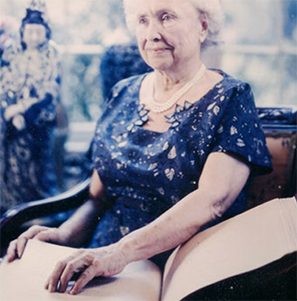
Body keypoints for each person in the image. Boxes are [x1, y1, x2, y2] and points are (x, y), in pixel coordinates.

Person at [6, 0, 272, 295]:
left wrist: (119, 253)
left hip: (178, 269)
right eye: (143, 21)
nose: (152, 33)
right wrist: (63, 235)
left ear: (203, 25)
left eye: (166, 17)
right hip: (99, 260)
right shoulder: (124, 93)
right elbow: (98, 198)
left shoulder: (232, 97)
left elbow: (213, 200)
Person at [0, 1, 62, 214]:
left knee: (38, 166)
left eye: (38, 32)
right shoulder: (12, 51)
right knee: (13, 163)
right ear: (22, 32)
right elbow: (4, 81)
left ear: (46, 33)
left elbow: (50, 89)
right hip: (11, 116)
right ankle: (13, 205)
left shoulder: (52, 53)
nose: (34, 37)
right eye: (30, 32)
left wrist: (24, 111)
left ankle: (38, 208)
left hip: (37, 118)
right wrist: (10, 111)